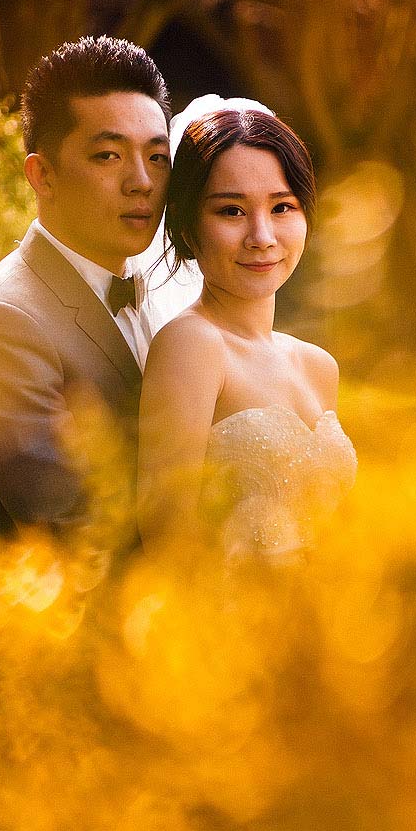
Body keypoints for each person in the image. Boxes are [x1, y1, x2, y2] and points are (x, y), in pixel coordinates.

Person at [0, 36, 172, 705]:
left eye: (156, 156)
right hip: (21, 691)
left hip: (132, 675)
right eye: (109, 155)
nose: (141, 180)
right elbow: (64, 524)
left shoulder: (160, 298)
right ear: (43, 175)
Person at [136, 104, 355, 557]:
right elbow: (166, 544)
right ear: (188, 227)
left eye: (281, 207)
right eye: (232, 211)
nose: (262, 235)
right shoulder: (191, 345)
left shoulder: (318, 366)